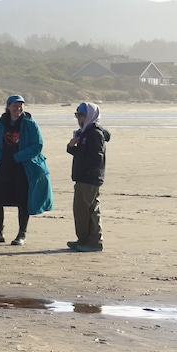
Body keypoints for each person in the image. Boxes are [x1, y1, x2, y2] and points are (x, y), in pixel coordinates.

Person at [0, 95, 54, 246]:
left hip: (23, 167)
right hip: (3, 165)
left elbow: (37, 145)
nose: (17, 109)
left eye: (20, 106)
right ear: (8, 107)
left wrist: (18, 157)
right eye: (14, 106)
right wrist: (0, 157)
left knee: (22, 200)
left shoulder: (30, 124)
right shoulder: (0, 124)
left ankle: (21, 234)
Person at [66, 101, 109, 252]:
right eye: (77, 115)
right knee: (85, 210)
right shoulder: (85, 132)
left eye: (81, 115)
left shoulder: (94, 133)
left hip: (89, 178)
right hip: (84, 177)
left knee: (85, 211)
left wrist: (86, 171)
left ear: (89, 115)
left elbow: (95, 158)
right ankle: (85, 240)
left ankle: (92, 242)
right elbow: (81, 155)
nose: (79, 118)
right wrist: (71, 146)